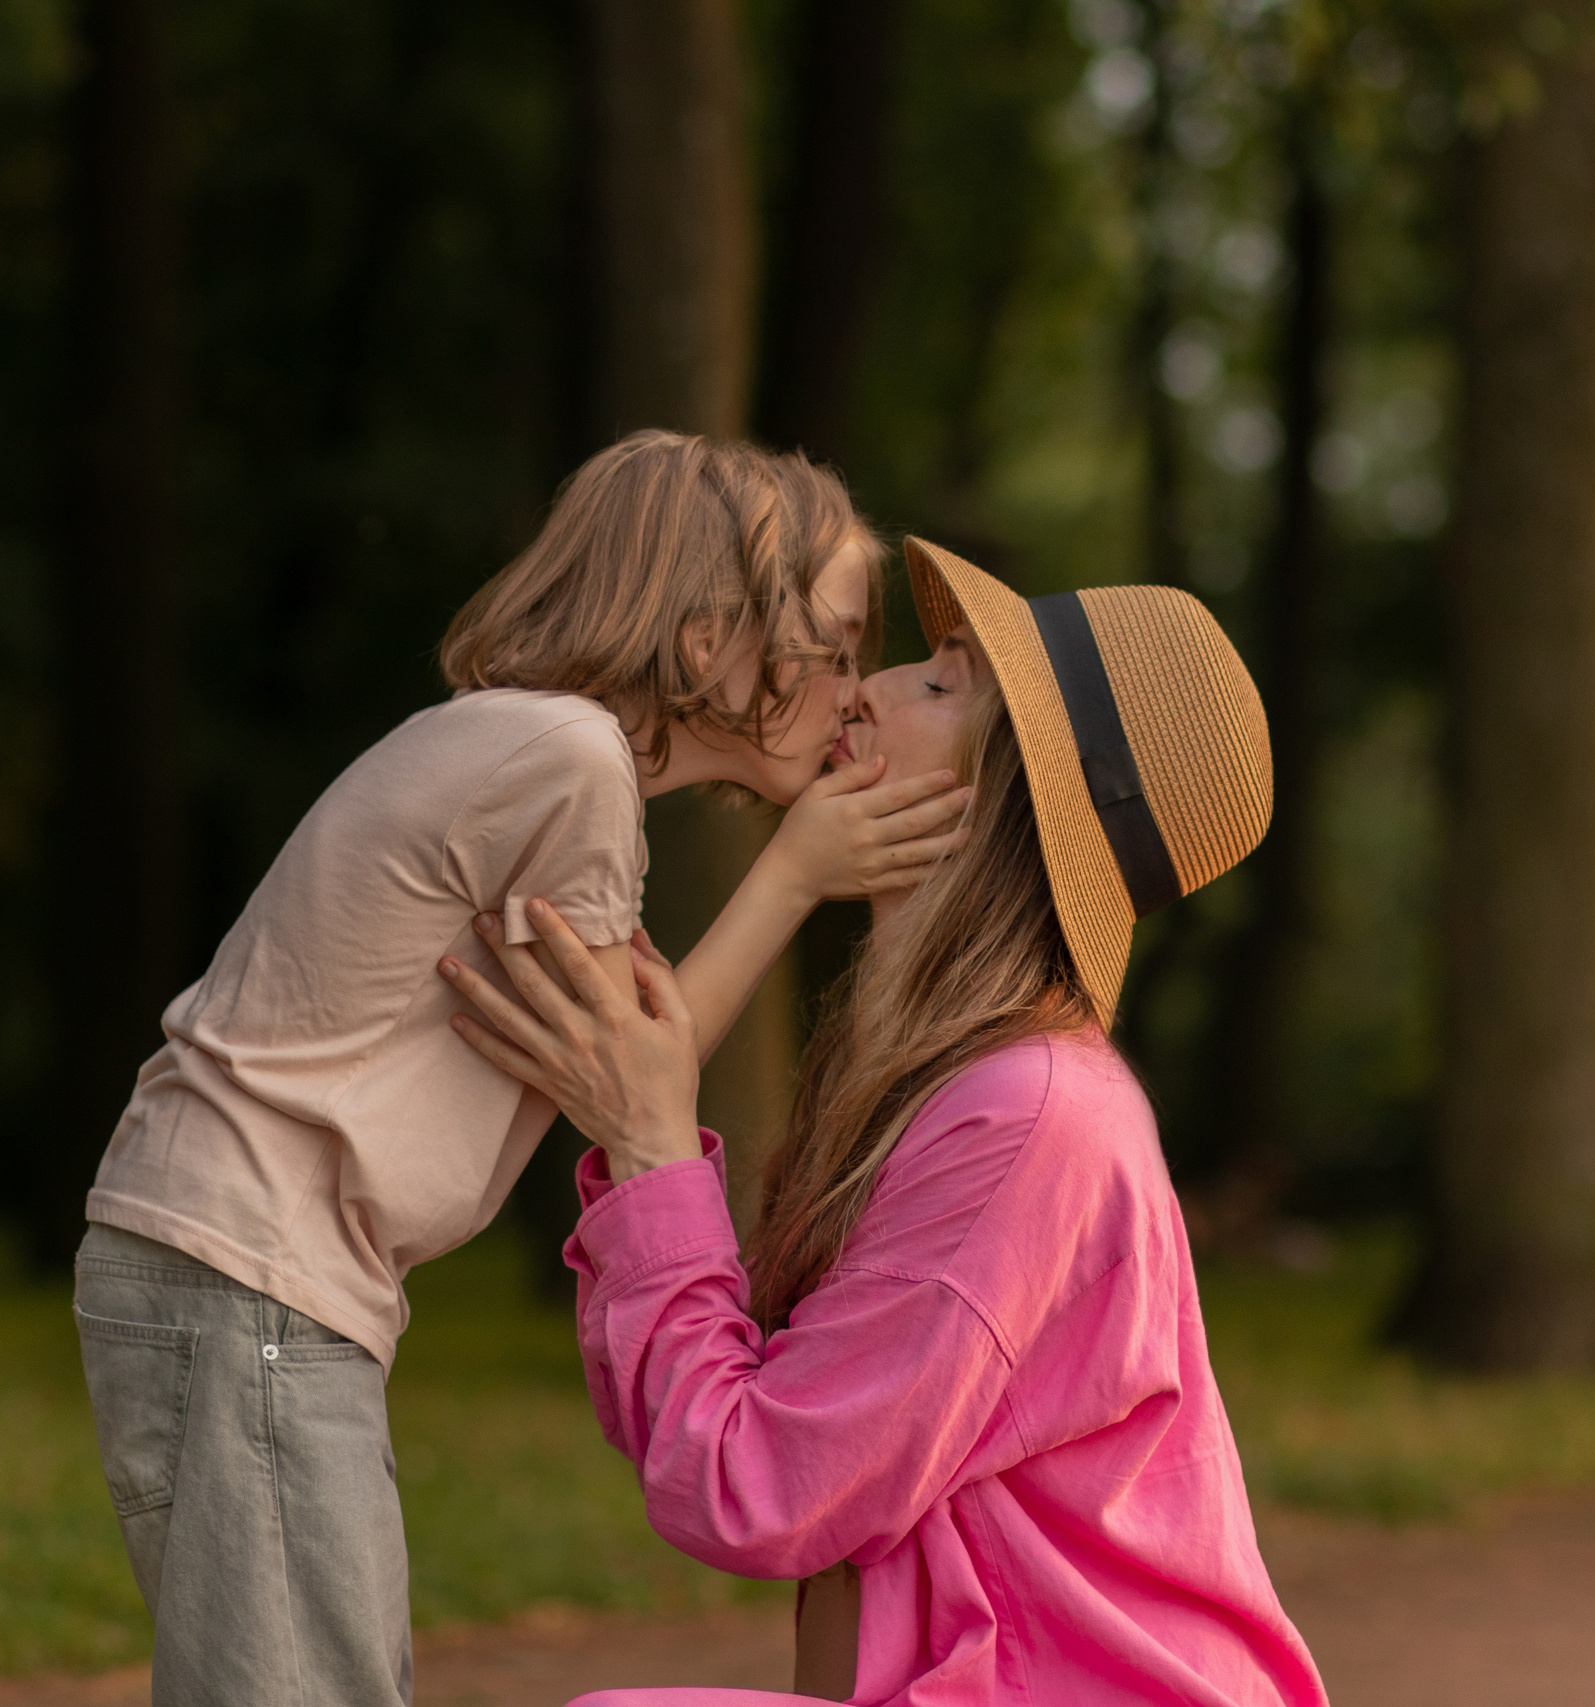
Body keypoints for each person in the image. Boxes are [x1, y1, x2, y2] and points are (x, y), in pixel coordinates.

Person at [72, 435, 972, 1707]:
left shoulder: (537, 755)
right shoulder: (568, 762)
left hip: (251, 1270)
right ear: (709, 640)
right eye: (829, 645)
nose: (849, 688)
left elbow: (626, 1056)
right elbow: (634, 1071)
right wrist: (792, 878)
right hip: (250, 1269)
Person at [440, 537, 1332, 1706]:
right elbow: (700, 1433)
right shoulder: (948, 1080)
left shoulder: (1026, 1120)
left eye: (943, 682)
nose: (864, 685)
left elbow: (754, 1489)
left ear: (1001, 796)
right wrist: (638, 1145)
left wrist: (655, 1146)